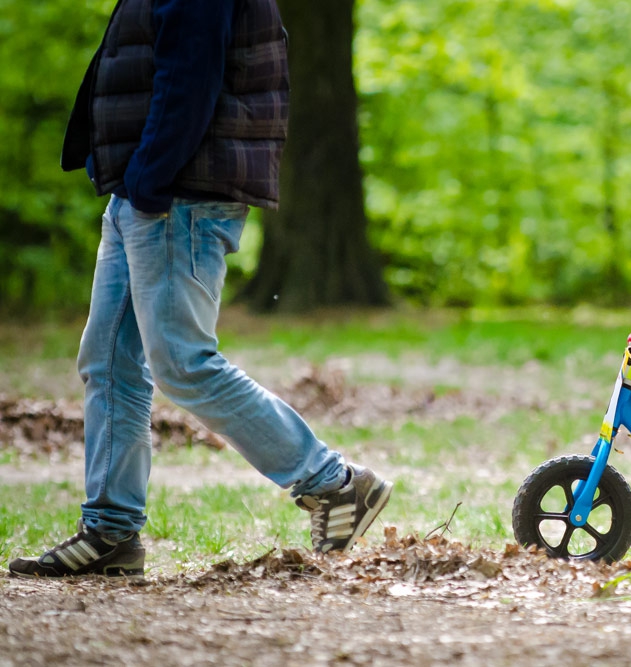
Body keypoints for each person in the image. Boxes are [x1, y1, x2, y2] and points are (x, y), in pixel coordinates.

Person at [8, 0, 391, 580]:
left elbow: (192, 72)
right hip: (143, 193)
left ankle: (333, 483)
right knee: (109, 361)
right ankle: (111, 532)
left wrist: (150, 178)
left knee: (183, 362)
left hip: (175, 193)